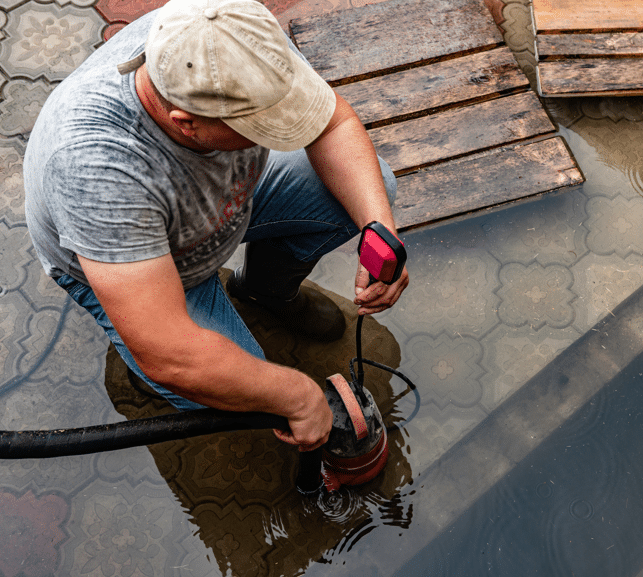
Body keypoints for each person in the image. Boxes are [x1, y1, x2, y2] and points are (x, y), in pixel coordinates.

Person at [23, 0, 409, 454]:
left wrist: (380, 230)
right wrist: (299, 397)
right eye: (264, 126)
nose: (284, 130)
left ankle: (265, 291)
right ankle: (138, 352)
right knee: (223, 386)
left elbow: (333, 124)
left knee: (372, 188)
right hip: (142, 266)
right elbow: (170, 352)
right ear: (186, 124)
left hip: (218, 201)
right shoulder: (94, 167)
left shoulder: (230, 33)